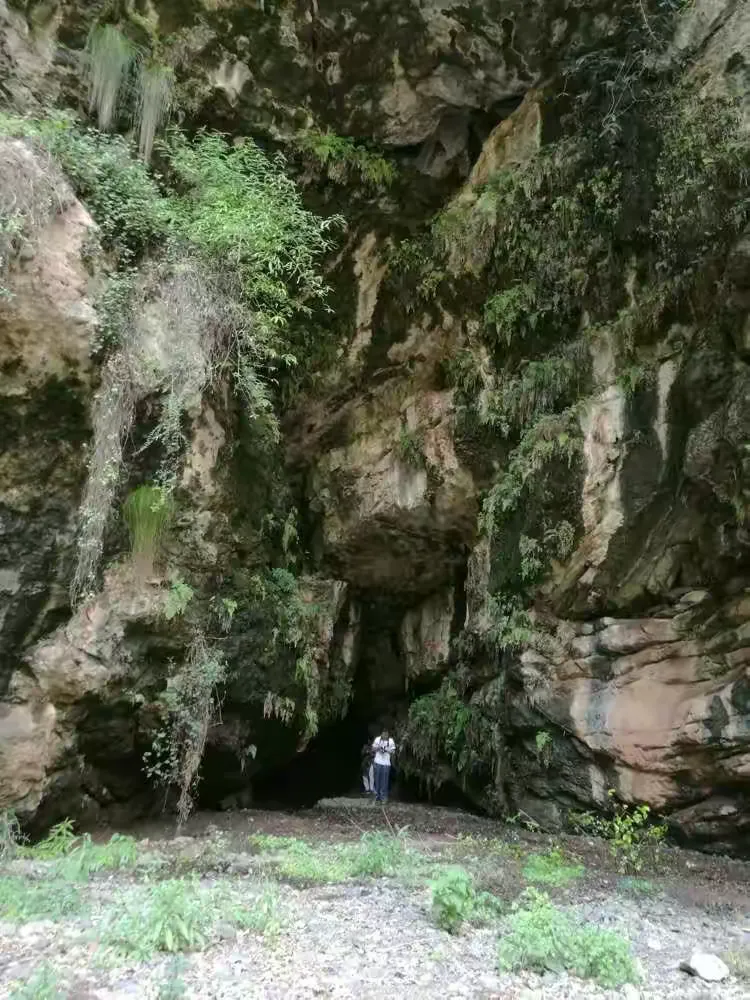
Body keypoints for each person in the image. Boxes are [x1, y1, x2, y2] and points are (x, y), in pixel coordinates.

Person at [371, 729, 396, 803]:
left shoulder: (391, 740)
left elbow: (393, 751)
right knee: (377, 780)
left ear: (388, 734)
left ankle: (384, 797)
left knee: (384, 781)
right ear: (381, 734)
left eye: (386, 734)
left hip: (386, 763)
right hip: (377, 762)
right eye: (383, 734)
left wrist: (386, 750)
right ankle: (376, 796)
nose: (385, 735)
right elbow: (373, 748)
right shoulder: (377, 739)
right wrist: (378, 748)